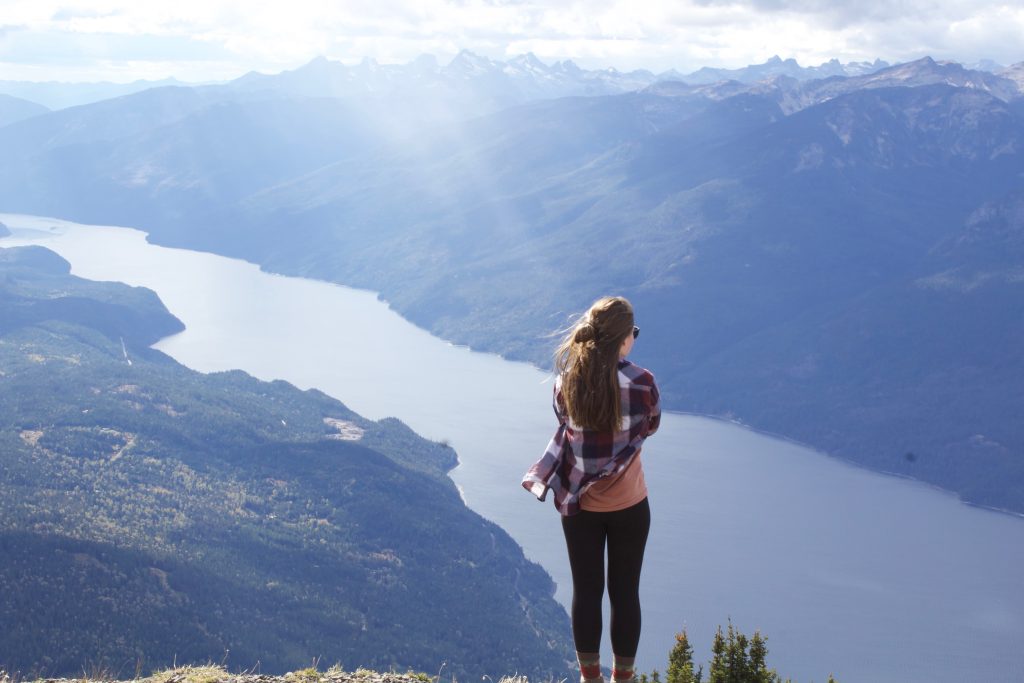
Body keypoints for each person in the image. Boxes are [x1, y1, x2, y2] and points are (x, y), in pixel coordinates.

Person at [522, 296, 661, 683]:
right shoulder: (643, 383)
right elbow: (650, 425)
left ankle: (589, 678)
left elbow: (565, 424)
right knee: (625, 593)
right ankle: (623, 679)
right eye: (633, 333)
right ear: (623, 339)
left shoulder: (566, 382)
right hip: (630, 505)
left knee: (586, 591)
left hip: (580, 505)